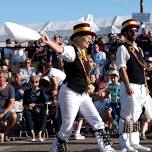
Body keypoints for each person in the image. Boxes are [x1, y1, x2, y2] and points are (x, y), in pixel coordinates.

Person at [40, 23, 116, 152]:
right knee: (67, 127)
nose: (91, 40)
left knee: (96, 120)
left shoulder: (84, 53)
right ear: (79, 38)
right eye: (88, 36)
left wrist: (89, 85)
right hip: (70, 92)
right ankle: (54, 149)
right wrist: (49, 42)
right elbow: (60, 50)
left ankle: (106, 148)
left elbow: (82, 74)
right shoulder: (71, 50)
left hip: (82, 94)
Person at [116, 18, 151, 152]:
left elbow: (142, 70)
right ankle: (125, 144)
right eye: (132, 30)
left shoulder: (139, 49)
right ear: (125, 33)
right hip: (130, 85)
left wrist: (146, 86)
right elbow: (121, 68)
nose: (135, 32)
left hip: (141, 86)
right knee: (127, 115)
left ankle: (134, 142)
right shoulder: (122, 48)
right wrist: (127, 85)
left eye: (136, 30)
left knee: (136, 116)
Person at [23, 75, 48, 142]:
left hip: (39, 109)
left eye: (36, 82)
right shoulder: (27, 91)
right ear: (30, 82)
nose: (34, 83)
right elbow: (24, 104)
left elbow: (45, 102)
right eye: (32, 81)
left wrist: (35, 104)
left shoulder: (41, 91)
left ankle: (40, 133)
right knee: (26, 112)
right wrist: (28, 106)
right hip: (30, 109)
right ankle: (32, 133)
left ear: (38, 82)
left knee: (45, 113)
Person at [0, 70, 17, 142]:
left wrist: (3, 112)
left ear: (5, 78)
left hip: (5, 109)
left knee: (14, 116)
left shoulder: (10, 88)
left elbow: (12, 103)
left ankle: (6, 133)